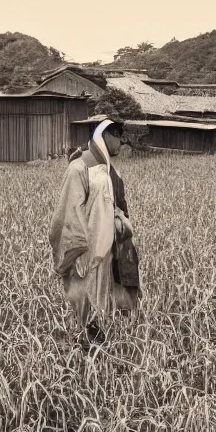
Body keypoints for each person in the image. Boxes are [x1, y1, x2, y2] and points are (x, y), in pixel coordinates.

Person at [49, 119, 140, 349]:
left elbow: (117, 206)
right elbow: (69, 212)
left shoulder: (111, 171)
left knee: (107, 303)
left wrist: (121, 225)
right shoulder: (79, 167)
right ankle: (81, 350)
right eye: (117, 135)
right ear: (103, 135)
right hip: (86, 253)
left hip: (109, 250)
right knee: (84, 304)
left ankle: (103, 350)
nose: (121, 141)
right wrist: (76, 250)